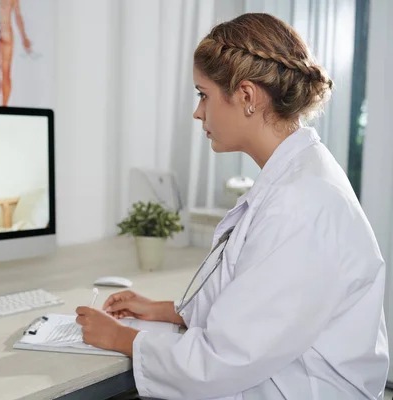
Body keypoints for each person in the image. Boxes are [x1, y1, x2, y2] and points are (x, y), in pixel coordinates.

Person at [75, 13, 389, 400]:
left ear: (246, 96)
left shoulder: (302, 203)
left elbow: (225, 359)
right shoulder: (293, 179)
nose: (198, 112)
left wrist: (123, 339)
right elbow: (258, 305)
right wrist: (172, 310)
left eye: (203, 94)